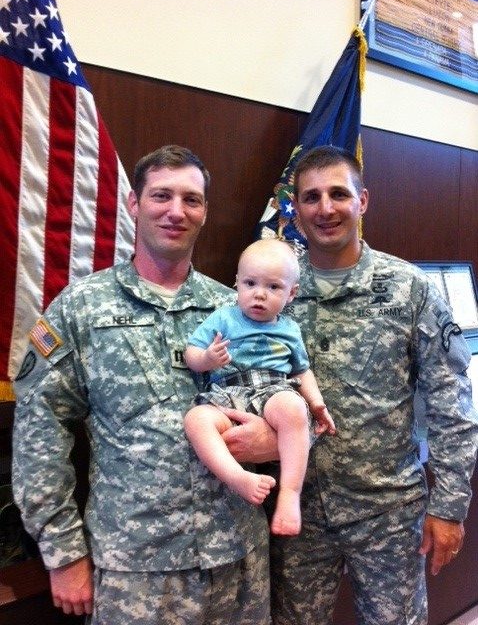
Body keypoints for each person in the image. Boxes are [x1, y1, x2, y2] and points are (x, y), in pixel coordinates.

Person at [12, 145, 271, 625]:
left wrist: (271, 439)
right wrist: (64, 551)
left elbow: (283, 401)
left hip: (236, 560)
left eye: (191, 200)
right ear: (134, 203)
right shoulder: (80, 308)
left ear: (205, 212)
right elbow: (39, 432)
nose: (176, 211)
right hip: (137, 569)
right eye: (161, 196)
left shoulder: (237, 311)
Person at [223, 145, 478, 625]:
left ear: (363, 201)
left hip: (387, 512)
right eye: (311, 197)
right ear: (294, 209)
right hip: (297, 512)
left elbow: (452, 403)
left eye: (338, 194)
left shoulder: (408, 288)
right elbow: (236, 384)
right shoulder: (265, 290)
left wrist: (449, 506)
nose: (325, 208)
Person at [184, 239, 336, 536]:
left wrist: (317, 405)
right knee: (196, 419)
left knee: (293, 409)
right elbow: (191, 353)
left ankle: (289, 493)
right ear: (237, 283)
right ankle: (237, 477)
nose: (259, 295)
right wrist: (206, 358)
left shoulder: (289, 329)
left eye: (273, 287)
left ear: (291, 293)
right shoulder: (223, 317)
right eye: (250, 283)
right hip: (225, 393)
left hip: (272, 389)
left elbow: (302, 370)